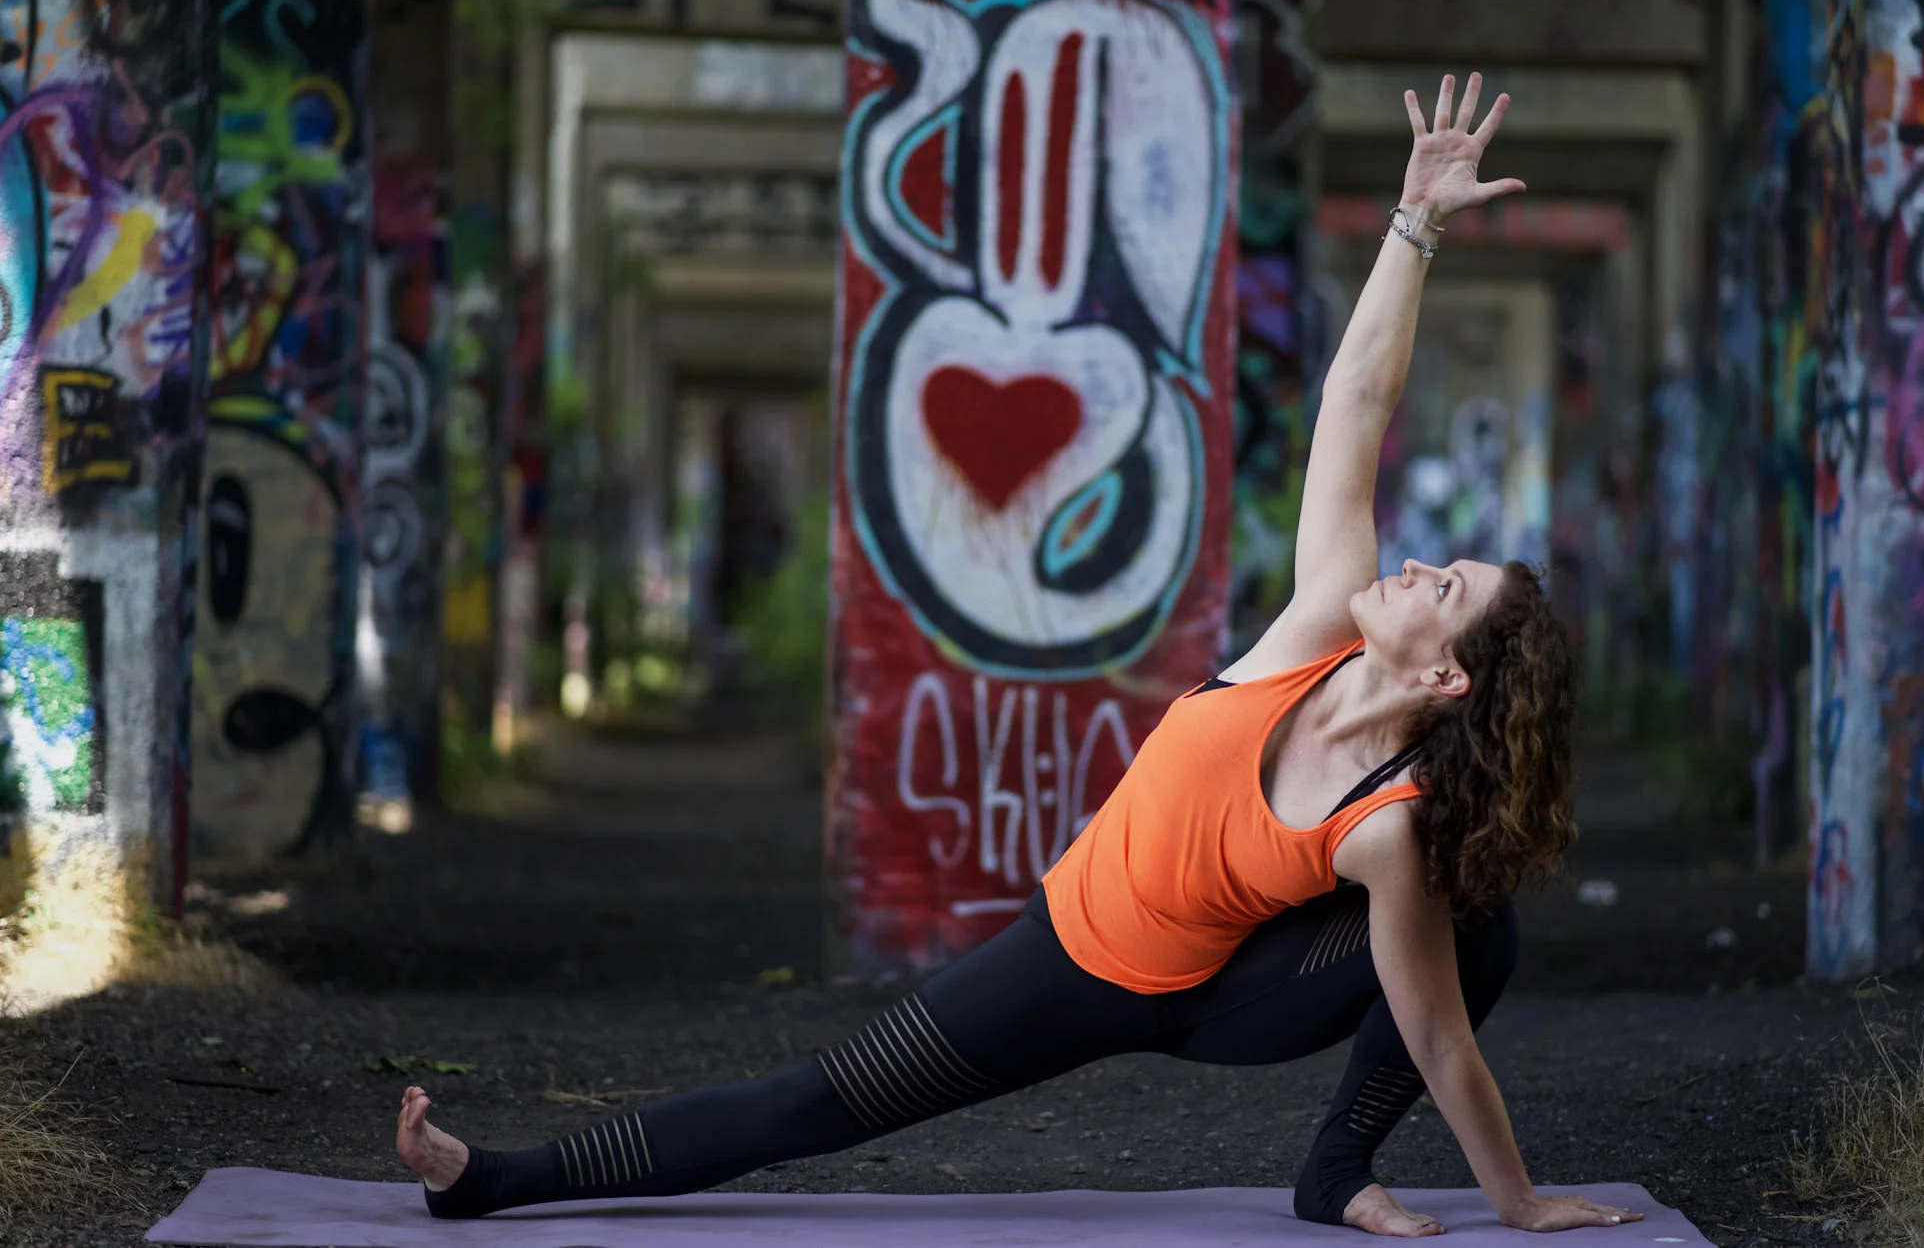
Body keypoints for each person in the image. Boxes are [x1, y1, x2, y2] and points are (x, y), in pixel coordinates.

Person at [397, 73, 1641, 1237]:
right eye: (1434, 560)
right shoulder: (1316, 626)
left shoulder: (1387, 823)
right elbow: (1354, 409)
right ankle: (489, 1181)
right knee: (821, 1101)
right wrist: (1412, 225)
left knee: (1477, 938)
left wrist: (1518, 1205)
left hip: (1218, 1002)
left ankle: (1333, 1175)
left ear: (1445, 678)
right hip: (1068, 949)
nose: (1414, 565)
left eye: (1443, 588)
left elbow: (1435, 1036)